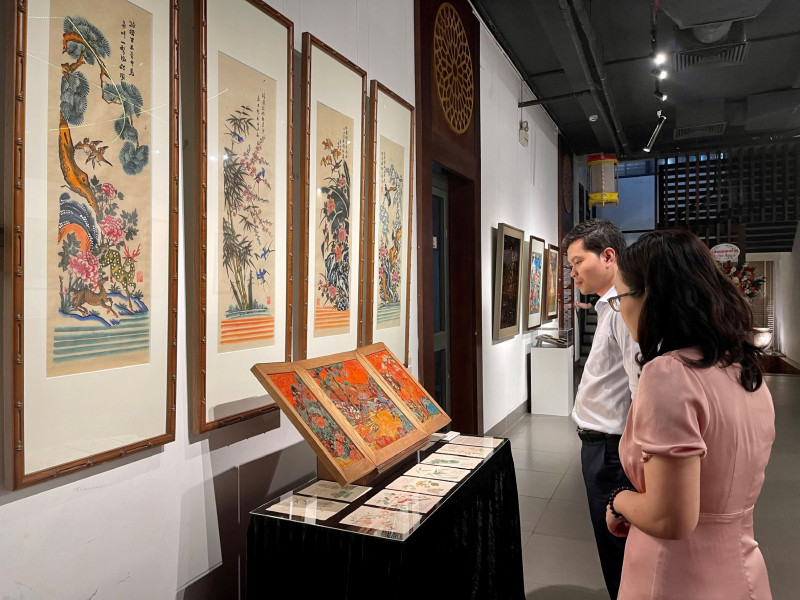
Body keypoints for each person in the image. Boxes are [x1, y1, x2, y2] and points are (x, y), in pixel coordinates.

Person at [606, 229, 774, 599]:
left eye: (620, 298)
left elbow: (670, 518)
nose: (622, 311)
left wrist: (618, 501)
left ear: (649, 297)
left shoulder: (670, 374)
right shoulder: (744, 369)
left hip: (675, 573)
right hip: (743, 567)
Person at [562, 219, 640, 600]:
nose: (573, 273)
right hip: (602, 447)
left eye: (578, 262)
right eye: (570, 265)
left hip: (611, 451)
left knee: (618, 551)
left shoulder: (624, 310)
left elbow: (641, 389)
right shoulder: (609, 307)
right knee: (613, 547)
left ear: (608, 256)